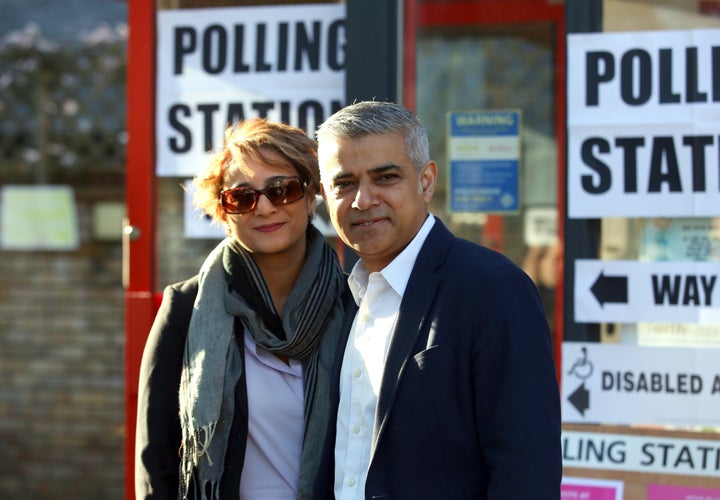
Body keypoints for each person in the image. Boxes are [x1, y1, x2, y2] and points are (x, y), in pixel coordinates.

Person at [313, 101, 562, 499]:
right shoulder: (339, 299)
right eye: (344, 183)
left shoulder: (492, 289)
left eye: (386, 177)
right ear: (325, 195)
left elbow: (526, 472)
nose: (363, 199)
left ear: (426, 181)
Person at [135, 118, 346, 499]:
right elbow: (156, 459)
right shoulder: (184, 308)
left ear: (312, 194)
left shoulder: (354, 303)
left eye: (282, 190)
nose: (264, 207)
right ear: (223, 210)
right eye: (242, 196)